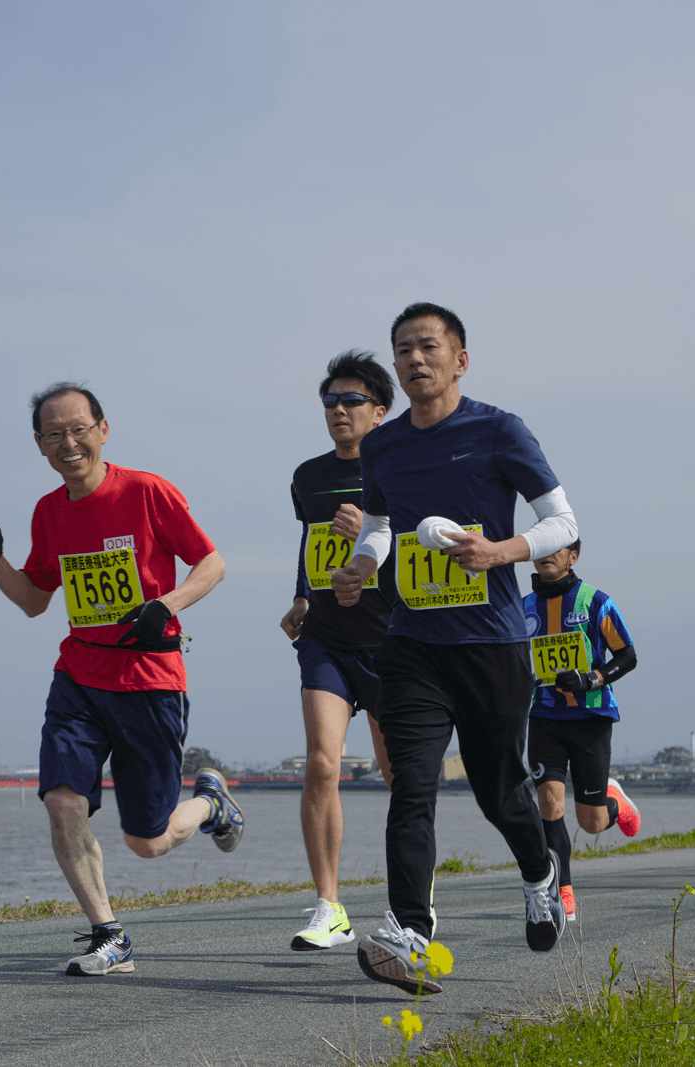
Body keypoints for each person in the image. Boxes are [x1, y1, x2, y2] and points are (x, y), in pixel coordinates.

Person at [0, 383, 240, 977]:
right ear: (39, 446)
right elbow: (34, 601)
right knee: (61, 802)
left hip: (150, 681)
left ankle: (210, 805)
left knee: (147, 841)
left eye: (78, 428)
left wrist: (169, 603)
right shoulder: (49, 512)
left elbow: (213, 562)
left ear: (104, 430)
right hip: (78, 674)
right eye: (53, 434)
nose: (68, 443)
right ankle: (110, 937)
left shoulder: (148, 492)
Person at [331, 302, 579, 995]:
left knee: (501, 789)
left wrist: (503, 548)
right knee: (411, 781)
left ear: (459, 359)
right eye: (403, 348)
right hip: (413, 644)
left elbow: (563, 521)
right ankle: (410, 930)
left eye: (428, 346)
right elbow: (382, 523)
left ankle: (539, 874)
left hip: (492, 643)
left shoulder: (499, 430)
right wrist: (363, 562)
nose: (414, 359)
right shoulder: (382, 446)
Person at [280, 351, 397, 952]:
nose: (338, 411)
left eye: (351, 401)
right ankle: (329, 905)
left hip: (393, 638)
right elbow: (308, 539)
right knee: (322, 763)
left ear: (380, 410)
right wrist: (301, 597)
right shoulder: (308, 475)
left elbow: (436, 549)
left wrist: (378, 537)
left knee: (396, 773)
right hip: (326, 634)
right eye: (329, 401)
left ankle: (411, 905)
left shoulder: (406, 468)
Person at [522, 539, 642, 924]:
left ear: (573, 557)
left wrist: (592, 678)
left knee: (590, 823)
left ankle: (617, 804)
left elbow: (628, 656)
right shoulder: (522, 607)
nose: (546, 554)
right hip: (544, 719)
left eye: (556, 548)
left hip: (591, 719)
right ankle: (564, 890)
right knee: (550, 806)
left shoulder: (595, 601)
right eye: (540, 547)